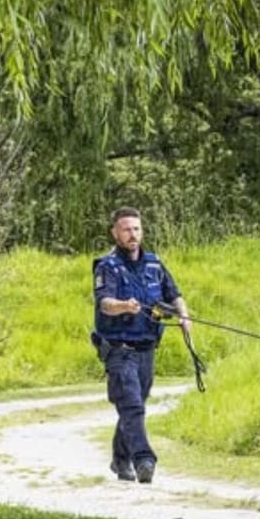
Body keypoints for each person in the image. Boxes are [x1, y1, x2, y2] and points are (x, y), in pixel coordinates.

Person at [92, 207, 190, 484]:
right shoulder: (107, 267)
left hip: (147, 347)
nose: (132, 234)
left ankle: (120, 459)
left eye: (136, 228)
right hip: (118, 348)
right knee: (133, 405)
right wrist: (124, 305)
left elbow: (174, 294)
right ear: (115, 233)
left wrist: (183, 315)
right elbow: (105, 303)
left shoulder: (154, 264)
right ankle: (144, 460)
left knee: (134, 403)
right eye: (126, 229)